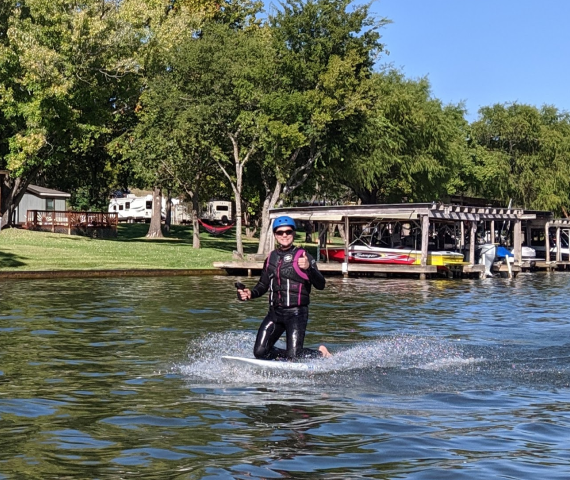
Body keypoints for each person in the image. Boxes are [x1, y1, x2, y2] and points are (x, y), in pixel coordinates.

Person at [237, 215, 332, 360]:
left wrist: (309, 268)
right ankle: (288, 355)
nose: (284, 235)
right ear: (275, 235)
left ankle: (321, 353)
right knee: (260, 353)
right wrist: (250, 293)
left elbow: (321, 285)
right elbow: (262, 285)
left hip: (296, 314)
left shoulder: (304, 256)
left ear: (293, 233)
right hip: (275, 314)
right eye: (280, 232)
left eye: (288, 231)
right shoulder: (271, 258)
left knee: (295, 355)